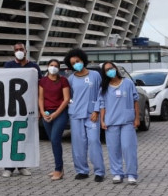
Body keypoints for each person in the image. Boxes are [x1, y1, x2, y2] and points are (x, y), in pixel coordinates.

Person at [63, 48, 105, 182]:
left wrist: (97, 110)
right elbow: (69, 96)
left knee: (93, 141)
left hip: (92, 115)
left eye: (78, 61)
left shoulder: (95, 75)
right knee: (78, 143)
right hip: (76, 115)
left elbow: (101, 94)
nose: (76, 64)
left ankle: (99, 171)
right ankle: (82, 170)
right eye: (73, 63)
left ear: (83, 60)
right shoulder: (71, 79)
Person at [2, 42, 41, 178]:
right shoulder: (9, 66)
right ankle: (9, 167)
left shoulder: (34, 67)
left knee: (24, 136)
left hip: (28, 107)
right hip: (12, 107)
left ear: (25, 51)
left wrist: (38, 108)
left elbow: (39, 87)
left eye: (21, 49)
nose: (19, 51)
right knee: (11, 136)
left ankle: (22, 166)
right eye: (16, 49)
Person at [99, 61, 140, 185]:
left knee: (128, 147)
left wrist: (137, 118)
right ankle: (117, 173)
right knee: (114, 149)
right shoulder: (104, 87)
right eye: (106, 70)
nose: (109, 71)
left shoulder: (127, 83)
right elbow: (102, 105)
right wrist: (102, 120)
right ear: (104, 73)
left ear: (116, 68)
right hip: (111, 122)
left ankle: (131, 174)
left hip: (127, 121)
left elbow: (136, 100)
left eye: (111, 68)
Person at [38, 59, 70, 181]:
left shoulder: (63, 80)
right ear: (47, 66)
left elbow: (66, 99)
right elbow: (40, 98)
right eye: (51, 65)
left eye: (56, 66)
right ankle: (58, 168)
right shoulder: (43, 81)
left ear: (59, 68)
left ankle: (59, 169)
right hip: (47, 113)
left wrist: (56, 114)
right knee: (53, 140)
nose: (53, 68)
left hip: (60, 113)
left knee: (56, 139)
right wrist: (42, 112)